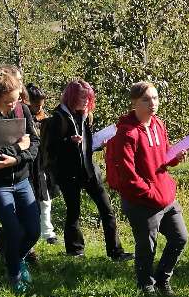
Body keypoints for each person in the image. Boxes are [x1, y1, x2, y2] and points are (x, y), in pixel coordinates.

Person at [106, 81, 189, 295]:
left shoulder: (158, 124)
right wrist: (150, 193)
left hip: (165, 195)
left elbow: (162, 157)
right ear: (134, 103)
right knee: (146, 247)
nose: (152, 103)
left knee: (180, 237)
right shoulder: (126, 134)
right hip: (142, 200)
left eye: (155, 98)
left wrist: (174, 157)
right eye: (146, 99)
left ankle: (162, 279)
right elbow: (128, 175)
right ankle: (146, 286)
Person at [0, 66, 42, 293]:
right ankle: (14, 272)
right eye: (9, 101)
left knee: (33, 231)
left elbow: (35, 145)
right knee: (14, 231)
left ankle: (16, 257)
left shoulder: (23, 111)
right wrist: (18, 147)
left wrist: (17, 157)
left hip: (22, 181)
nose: (14, 105)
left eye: (16, 100)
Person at [43, 79, 130, 261]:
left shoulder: (86, 115)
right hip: (68, 172)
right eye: (82, 97)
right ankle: (75, 251)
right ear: (71, 97)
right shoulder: (58, 117)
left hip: (89, 170)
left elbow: (86, 146)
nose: (85, 101)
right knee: (73, 212)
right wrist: (69, 143)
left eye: (88, 98)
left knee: (107, 210)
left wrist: (98, 144)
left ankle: (116, 252)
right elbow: (51, 148)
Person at [25, 82, 59, 246]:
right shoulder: (22, 117)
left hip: (42, 164)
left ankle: (47, 232)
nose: (39, 107)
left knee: (45, 199)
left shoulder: (46, 119)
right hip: (26, 164)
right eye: (35, 103)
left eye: (41, 104)